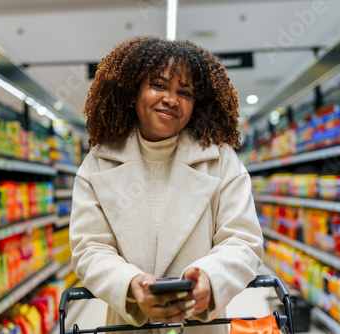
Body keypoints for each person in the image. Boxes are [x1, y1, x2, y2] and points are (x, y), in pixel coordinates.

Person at [70, 36, 263, 334]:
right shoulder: (98, 163)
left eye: (184, 92)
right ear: (133, 91)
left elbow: (242, 240)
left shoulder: (221, 160)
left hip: (201, 326)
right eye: (159, 85)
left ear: (195, 103)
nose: (171, 99)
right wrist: (130, 286)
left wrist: (211, 278)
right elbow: (90, 247)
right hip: (130, 324)